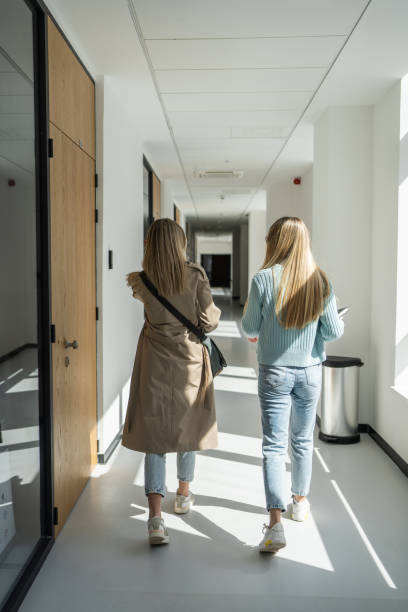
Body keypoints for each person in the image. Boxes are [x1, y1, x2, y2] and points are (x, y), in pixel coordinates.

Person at [242, 217, 344, 553]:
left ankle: (275, 525)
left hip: (273, 371)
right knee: (302, 439)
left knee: (273, 445)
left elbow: (248, 326)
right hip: (310, 372)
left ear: (275, 242)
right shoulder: (321, 281)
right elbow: (332, 333)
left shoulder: (262, 279)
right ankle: (299, 502)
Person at [122, 219, 221, 546]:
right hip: (189, 362)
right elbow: (209, 320)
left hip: (154, 363)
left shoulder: (140, 281)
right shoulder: (194, 277)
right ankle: (182, 494)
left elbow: (150, 303)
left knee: (155, 434)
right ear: (180, 244)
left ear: (150, 244)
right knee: (187, 427)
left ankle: (155, 519)